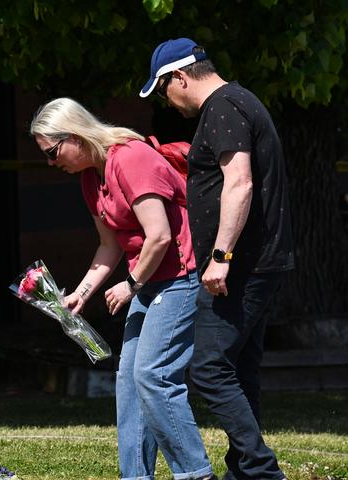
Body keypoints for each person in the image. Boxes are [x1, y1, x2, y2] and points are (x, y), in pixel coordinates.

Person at [31, 98, 214, 480]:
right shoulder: (89, 177)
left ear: (76, 135)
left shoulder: (129, 158)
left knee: (153, 375)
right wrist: (82, 293)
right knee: (129, 381)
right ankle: (134, 476)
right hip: (149, 283)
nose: (51, 163)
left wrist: (131, 285)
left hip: (180, 277)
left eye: (53, 152)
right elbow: (109, 245)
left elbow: (160, 236)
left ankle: (196, 473)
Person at [139, 38, 294, 480]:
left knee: (208, 368)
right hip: (260, 262)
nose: (167, 103)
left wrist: (221, 256)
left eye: (162, 90)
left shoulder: (223, 107)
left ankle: (262, 471)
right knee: (240, 370)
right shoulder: (239, 101)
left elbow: (240, 183)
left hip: (242, 266)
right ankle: (244, 471)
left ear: (180, 78)